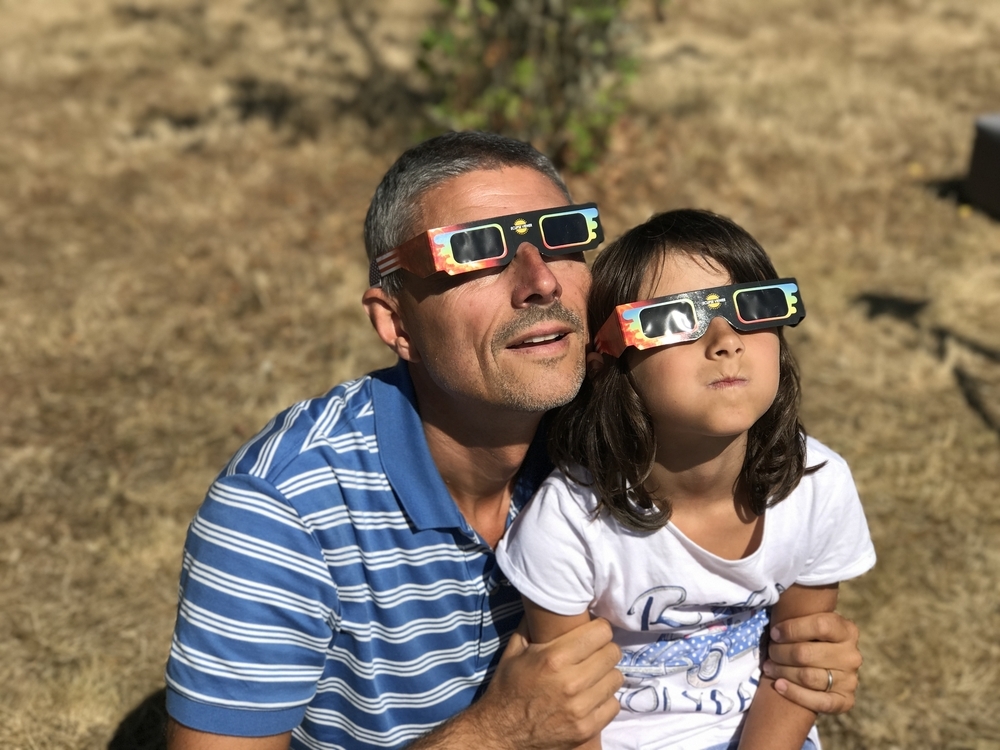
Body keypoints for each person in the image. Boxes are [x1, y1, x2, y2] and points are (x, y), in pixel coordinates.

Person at [164, 132, 867, 750]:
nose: (537, 281)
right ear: (395, 321)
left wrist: (799, 651)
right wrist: (497, 732)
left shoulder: (623, 427)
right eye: (473, 252)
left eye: (561, 237)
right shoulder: (280, 510)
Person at [495, 209, 877, 750]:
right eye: (674, 318)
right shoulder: (570, 522)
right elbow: (565, 713)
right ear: (607, 360)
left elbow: (802, 669)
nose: (725, 340)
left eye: (751, 307)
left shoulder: (817, 486)